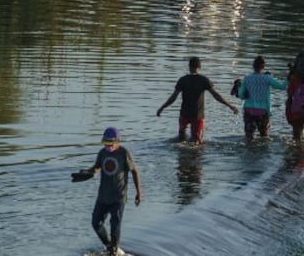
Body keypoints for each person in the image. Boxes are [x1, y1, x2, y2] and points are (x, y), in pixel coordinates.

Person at [78, 127, 141, 256]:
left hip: (118, 197)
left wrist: (138, 192)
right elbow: (97, 167)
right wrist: (87, 173)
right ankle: (109, 245)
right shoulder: (102, 153)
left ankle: (113, 250)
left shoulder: (124, 153)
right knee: (96, 222)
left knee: (115, 226)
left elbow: (134, 171)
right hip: (103, 196)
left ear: (117, 141)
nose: (108, 146)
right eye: (106, 144)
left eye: (110, 144)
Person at [156, 56, 238, 143]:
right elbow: (216, 95)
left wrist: (162, 107)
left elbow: (173, 97)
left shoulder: (183, 80)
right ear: (199, 67)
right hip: (198, 115)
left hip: (184, 114)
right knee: (197, 142)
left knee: (181, 140)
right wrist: (230, 105)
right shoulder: (204, 80)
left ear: (189, 67)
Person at [237, 56, 287, 141]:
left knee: (249, 138)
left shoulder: (247, 78)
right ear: (263, 67)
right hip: (263, 111)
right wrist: (289, 78)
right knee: (264, 138)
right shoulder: (267, 78)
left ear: (253, 66)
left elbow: (241, 95)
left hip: (249, 110)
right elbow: (282, 87)